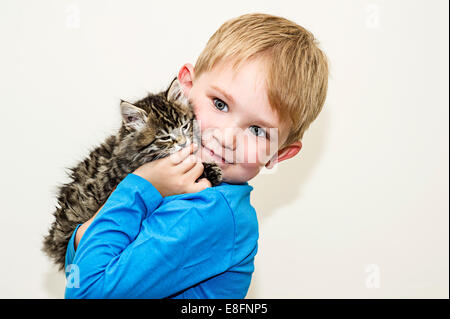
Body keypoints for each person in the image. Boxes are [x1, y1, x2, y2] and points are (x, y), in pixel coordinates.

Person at [64, 13, 329, 299]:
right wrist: (83, 234)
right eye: (220, 104)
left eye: (256, 129)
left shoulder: (208, 211)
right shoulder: (179, 184)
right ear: (185, 89)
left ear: (280, 153)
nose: (226, 138)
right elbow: (79, 264)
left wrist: (140, 186)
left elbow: (85, 291)